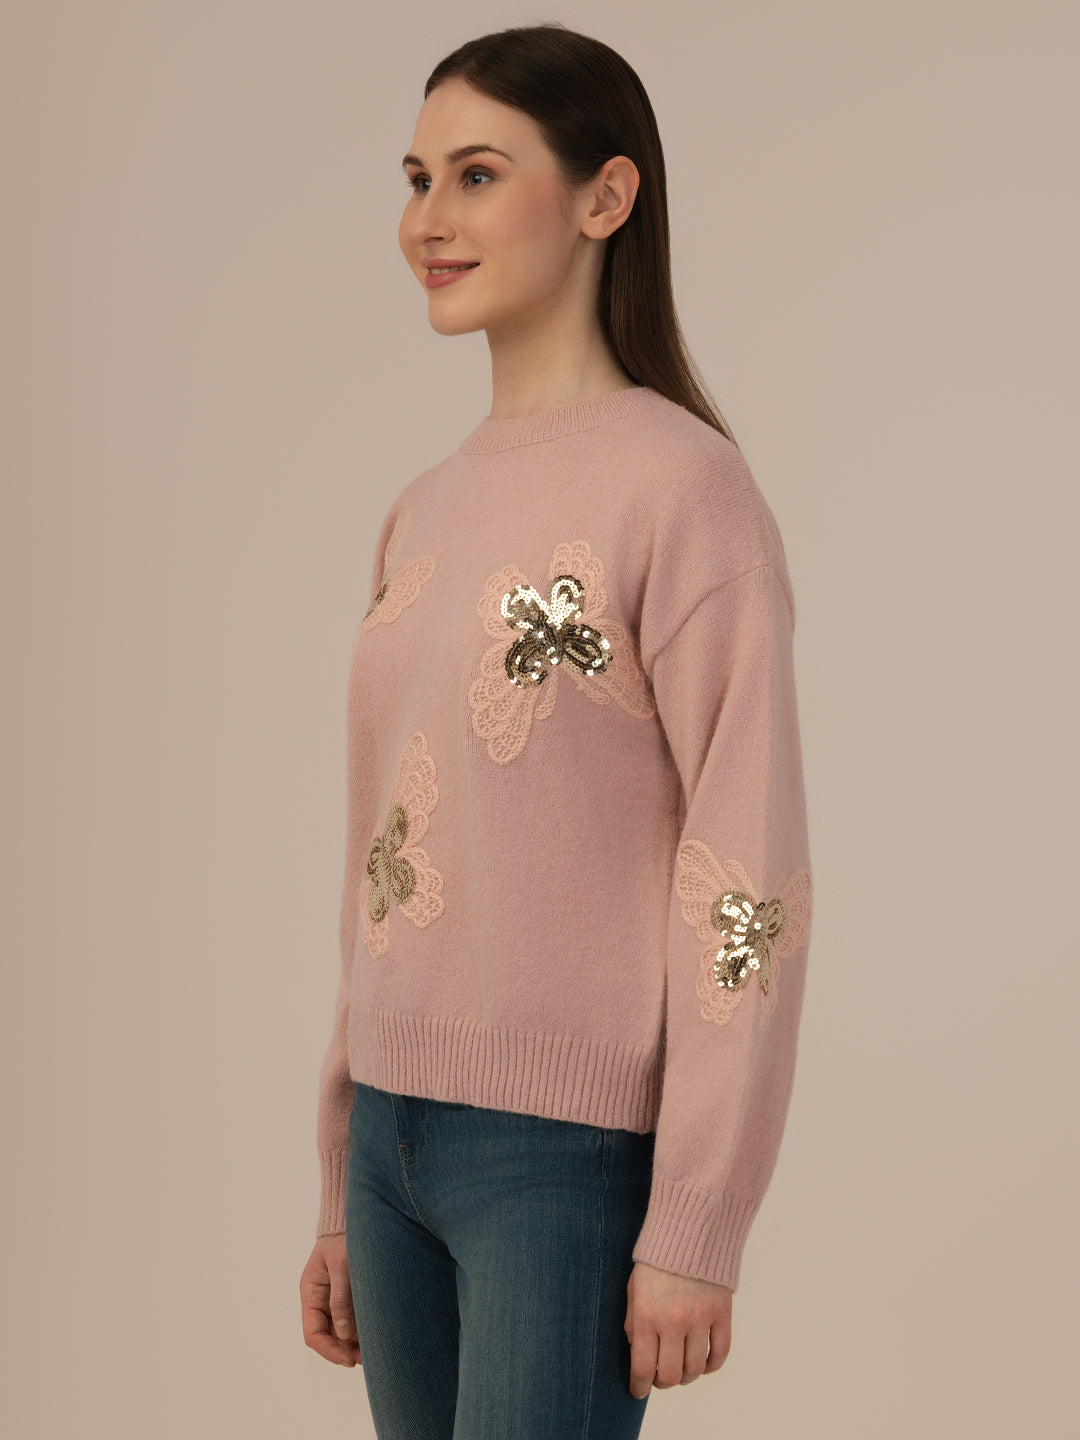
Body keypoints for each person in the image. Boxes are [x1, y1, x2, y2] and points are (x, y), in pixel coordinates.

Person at [299, 22, 813, 1440]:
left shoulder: (687, 492)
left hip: (562, 1158)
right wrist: (341, 1174)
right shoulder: (423, 507)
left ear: (606, 195)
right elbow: (383, 859)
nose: (427, 220)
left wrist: (699, 1212)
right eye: (417, 180)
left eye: (476, 175)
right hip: (391, 1141)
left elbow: (749, 875)